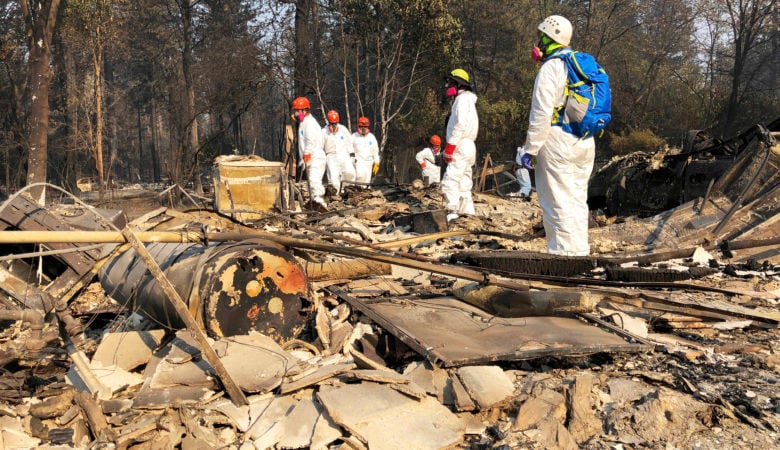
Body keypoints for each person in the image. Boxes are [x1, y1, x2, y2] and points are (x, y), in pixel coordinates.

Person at [516, 15, 594, 256]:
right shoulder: (580, 66)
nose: (538, 41)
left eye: (541, 37)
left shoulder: (552, 67)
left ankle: (562, 257)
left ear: (550, 38)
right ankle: (579, 252)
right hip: (585, 141)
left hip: (558, 140)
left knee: (556, 201)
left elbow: (541, 113)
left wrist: (530, 149)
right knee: (576, 200)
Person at [441, 68, 478, 222]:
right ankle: (467, 213)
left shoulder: (461, 100)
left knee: (450, 180)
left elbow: (460, 124)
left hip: (460, 144)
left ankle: (452, 212)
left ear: (458, 84)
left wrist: (450, 146)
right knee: (464, 181)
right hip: (469, 145)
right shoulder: (468, 100)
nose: (448, 86)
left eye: (450, 83)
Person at [292, 96, 327, 207]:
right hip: (311, 157)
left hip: (315, 156)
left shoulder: (310, 123)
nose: (296, 114)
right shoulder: (303, 123)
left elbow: (310, 141)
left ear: (304, 110)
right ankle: (315, 203)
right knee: (311, 182)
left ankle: (320, 203)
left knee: (314, 181)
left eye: (297, 111)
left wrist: (307, 154)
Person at [322, 110, 356, 194]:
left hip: (343, 154)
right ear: (328, 122)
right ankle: (336, 196)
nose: (334, 126)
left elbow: (349, 142)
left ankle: (346, 191)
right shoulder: (323, 132)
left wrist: (352, 155)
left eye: (335, 123)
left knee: (350, 173)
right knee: (334, 179)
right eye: (332, 124)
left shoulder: (343, 129)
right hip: (331, 156)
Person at [352, 116, 380, 187]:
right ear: (359, 126)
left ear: (368, 127)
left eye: (365, 127)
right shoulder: (354, 137)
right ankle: (356, 191)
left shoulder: (371, 137)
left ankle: (365, 195)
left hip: (369, 163)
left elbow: (375, 152)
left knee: (367, 181)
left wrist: (377, 163)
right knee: (361, 176)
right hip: (358, 161)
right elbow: (349, 149)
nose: (363, 129)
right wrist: (351, 159)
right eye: (362, 126)